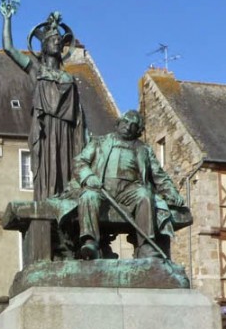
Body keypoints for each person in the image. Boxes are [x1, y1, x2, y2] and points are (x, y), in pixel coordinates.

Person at [73, 110, 187, 261]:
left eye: (133, 125)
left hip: (130, 190)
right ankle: (90, 242)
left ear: (138, 131)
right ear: (119, 122)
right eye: (126, 122)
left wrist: (172, 193)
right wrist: (88, 176)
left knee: (145, 195)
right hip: (101, 187)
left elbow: (159, 175)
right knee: (88, 196)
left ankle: (145, 245)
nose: (128, 126)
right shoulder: (99, 142)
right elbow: (79, 162)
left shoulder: (144, 149)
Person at [2, 9, 87, 200]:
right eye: (53, 39)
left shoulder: (69, 78)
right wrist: (7, 20)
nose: (57, 42)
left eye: (59, 40)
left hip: (66, 133)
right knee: (47, 171)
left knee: (65, 171)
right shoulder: (36, 70)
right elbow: (9, 48)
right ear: (44, 45)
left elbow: (81, 118)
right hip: (46, 130)